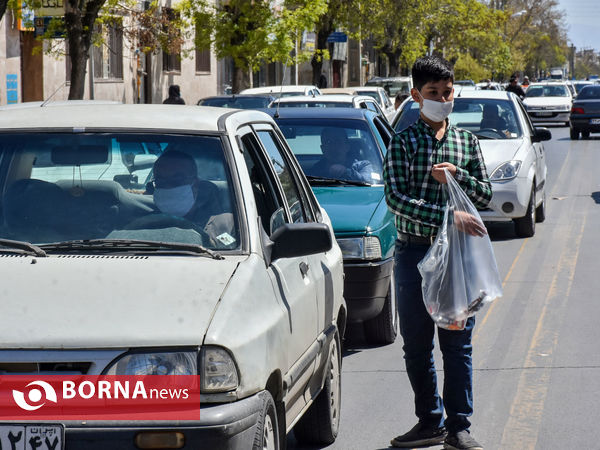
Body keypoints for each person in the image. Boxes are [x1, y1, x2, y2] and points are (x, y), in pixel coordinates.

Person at [383, 55, 491, 450]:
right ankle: (429, 420)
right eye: (433, 93)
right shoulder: (404, 141)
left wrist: (458, 175)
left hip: (456, 263)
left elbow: (485, 194)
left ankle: (459, 427)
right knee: (416, 344)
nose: (443, 100)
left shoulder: (466, 142)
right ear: (416, 95)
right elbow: (396, 199)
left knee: (457, 344)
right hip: (413, 255)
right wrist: (449, 215)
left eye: (447, 92)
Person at [130, 150, 235, 246]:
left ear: (195, 185)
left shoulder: (226, 224)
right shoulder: (143, 224)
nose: (168, 187)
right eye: (161, 181)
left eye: (177, 180)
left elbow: (232, 253)